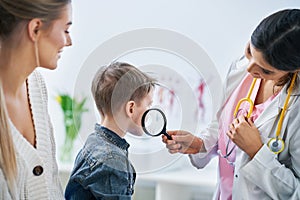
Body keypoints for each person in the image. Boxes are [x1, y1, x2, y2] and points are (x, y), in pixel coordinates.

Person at [163, 9, 300, 200]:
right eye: (249, 52)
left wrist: (257, 152)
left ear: (294, 69)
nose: (250, 69)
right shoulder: (241, 70)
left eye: (266, 71)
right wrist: (200, 144)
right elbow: (221, 125)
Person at [0, 0, 72, 199]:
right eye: (65, 30)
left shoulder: (36, 87)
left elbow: (53, 183)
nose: (69, 41)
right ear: (36, 28)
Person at [64, 62, 156, 199]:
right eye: (148, 105)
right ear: (131, 109)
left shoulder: (93, 141)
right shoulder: (113, 160)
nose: (150, 112)